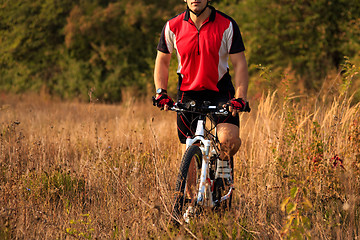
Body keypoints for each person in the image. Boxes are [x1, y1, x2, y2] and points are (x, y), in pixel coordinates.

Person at [153, 0, 250, 181]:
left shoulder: (227, 24)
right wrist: (161, 92)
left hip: (220, 91)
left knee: (229, 140)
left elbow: (240, 63)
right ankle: (190, 205)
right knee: (188, 150)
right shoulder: (172, 26)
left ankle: (222, 165)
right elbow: (162, 61)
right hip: (187, 92)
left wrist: (240, 97)